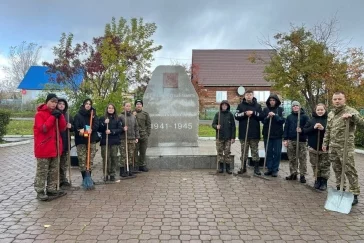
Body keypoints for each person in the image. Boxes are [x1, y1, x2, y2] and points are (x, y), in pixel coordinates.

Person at [323, 91, 364, 206]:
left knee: (349, 170)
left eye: (339, 99)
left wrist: (353, 117)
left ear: (344, 99)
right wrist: (325, 142)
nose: (337, 101)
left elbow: (362, 123)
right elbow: (328, 130)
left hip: (345, 147)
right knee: (337, 169)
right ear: (332, 100)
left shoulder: (351, 111)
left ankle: (354, 194)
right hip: (333, 147)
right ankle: (340, 189)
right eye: (335, 99)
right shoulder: (331, 113)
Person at [33, 93, 67, 201]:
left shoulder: (57, 114)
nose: (54, 104)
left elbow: (63, 128)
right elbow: (43, 128)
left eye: (55, 102)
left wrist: (60, 115)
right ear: (47, 101)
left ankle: (52, 188)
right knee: (42, 171)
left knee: (54, 170)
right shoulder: (39, 114)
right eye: (52, 101)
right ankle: (40, 191)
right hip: (44, 147)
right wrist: (52, 117)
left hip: (55, 147)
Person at [234, 90, 264, 175]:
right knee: (244, 151)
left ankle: (256, 168)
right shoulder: (240, 106)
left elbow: (261, 116)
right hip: (244, 134)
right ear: (244, 96)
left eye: (250, 95)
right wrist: (244, 114)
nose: (248, 96)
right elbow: (236, 116)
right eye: (247, 95)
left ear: (253, 95)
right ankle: (243, 167)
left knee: (255, 151)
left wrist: (253, 113)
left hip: (254, 133)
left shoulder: (258, 106)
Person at [303, 103, 329, 191]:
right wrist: (313, 128)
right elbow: (305, 131)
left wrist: (323, 129)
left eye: (322, 110)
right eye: (318, 110)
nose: (320, 111)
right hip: (313, 147)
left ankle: (324, 181)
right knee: (315, 165)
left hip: (325, 147)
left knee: (324, 165)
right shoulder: (311, 121)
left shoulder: (328, 120)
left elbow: (332, 132)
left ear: (325, 110)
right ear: (315, 110)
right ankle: (317, 180)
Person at [73, 98, 100, 180]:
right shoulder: (78, 115)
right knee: (82, 160)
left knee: (90, 160)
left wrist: (92, 129)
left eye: (89, 104)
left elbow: (96, 124)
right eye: (86, 104)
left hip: (91, 140)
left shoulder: (93, 115)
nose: (88, 105)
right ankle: (85, 178)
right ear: (84, 105)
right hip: (81, 140)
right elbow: (76, 128)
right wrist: (82, 130)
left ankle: (89, 178)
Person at [283, 101, 309, 183]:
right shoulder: (289, 117)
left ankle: (302, 175)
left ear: (300, 106)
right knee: (292, 158)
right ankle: (293, 173)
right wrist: (285, 139)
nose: (295, 107)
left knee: (302, 158)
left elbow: (308, 127)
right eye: (293, 106)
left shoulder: (304, 117)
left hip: (301, 141)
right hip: (291, 140)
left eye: (297, 105)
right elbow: (286, 128)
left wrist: (302, 130)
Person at [261, 94, 285, 177]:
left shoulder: (280, 109)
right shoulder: (265, 109)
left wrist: (275, 116)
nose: (272, 102)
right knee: (268, 152)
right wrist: (267, 117)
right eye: (270, 100)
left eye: (273, 100)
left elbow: (282, 120)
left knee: (277, 152)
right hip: (267, 134)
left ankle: (275, 169)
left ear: (276, 101)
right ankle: (269, 168)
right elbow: (263, 121)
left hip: (277, 135)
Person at [98, 104, 123, 182]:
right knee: (106, 158)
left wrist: (112, 131)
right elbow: (99, 129)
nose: (111, 109)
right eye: (109, 108)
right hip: (105, 141)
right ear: (107, 109)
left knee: (114, 158)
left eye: (112, 108)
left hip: (114, 141)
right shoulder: (102, 118)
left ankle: (112, 174)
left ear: (114, 109)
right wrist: (104, 124)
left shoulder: (117, 119)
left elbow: (120, 129)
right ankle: (105, 174)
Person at [212, 100, 236, 174]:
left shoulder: (230, 115)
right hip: (219, 137)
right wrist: (216, 126)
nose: (224, 106)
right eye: (223, 105)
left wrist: (233, 137)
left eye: (226, 105)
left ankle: (228, 168)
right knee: (219, 152)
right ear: (221, 106)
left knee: (227, 152)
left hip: (228, 138)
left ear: (228, 106)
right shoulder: (218, 114)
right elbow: (213, 124)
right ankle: (221, 167)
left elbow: (233, 127)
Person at [56, 97, 74, 189]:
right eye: (60, 104)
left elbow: (74, 128)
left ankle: (63, 180)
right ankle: (56, 181)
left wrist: (71, 126)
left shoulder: (68, 115)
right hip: (57, 143)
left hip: (66, 142)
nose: (61, 105)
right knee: (56, 164)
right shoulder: (55, 115)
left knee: (64, 163)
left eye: (63, 104)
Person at [119, 102, 140, 177]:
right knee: (123, 155)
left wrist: (137, 137)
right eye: (127, 106)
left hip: (132, 138)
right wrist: (122, 129)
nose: (128, 107)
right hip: (123, 138)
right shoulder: (121, 116)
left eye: (129, 106)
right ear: (124, 107)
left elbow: (136, 127)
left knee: (131, 155)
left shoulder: (133, 116)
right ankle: (122, 171)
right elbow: (118, 127)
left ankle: (130, 170)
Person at [133, 99, 151, 172]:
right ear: (135, 106)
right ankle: (136, 166)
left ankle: (142, 165)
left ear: (142, 106)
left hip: (144, 135)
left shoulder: (145, 114)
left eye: (140, 104)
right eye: (137, 104)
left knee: (143, 151)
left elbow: (148, 124)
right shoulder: (132, 113)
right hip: (135, 136)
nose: (138, 105)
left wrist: (147, 134)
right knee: (135, 151)